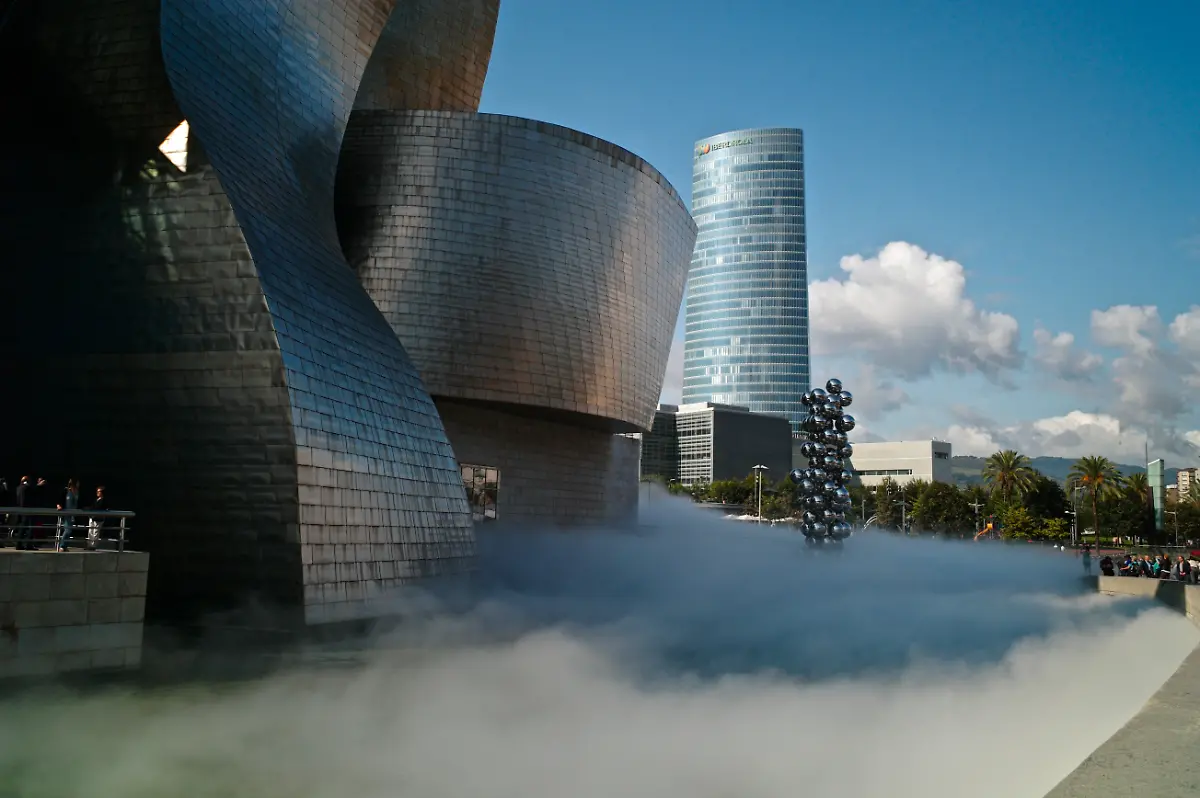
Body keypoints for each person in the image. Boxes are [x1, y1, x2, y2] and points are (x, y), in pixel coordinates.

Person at [56, 478, 78, 552]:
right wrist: (59, 505)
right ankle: (61, 546)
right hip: (66, 513)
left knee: (69, 530)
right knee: (67, 530)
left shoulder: (77, 492)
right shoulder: (66, 491)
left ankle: (65, 546)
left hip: (73, 514)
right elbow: (60, 499)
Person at [13, 475, 32, 550]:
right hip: (26, 510)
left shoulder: (18, 488)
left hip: (19, 510)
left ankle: (19, 544)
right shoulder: (26, 488)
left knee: (21, 528)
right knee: (28, 528)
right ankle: (27, 545)